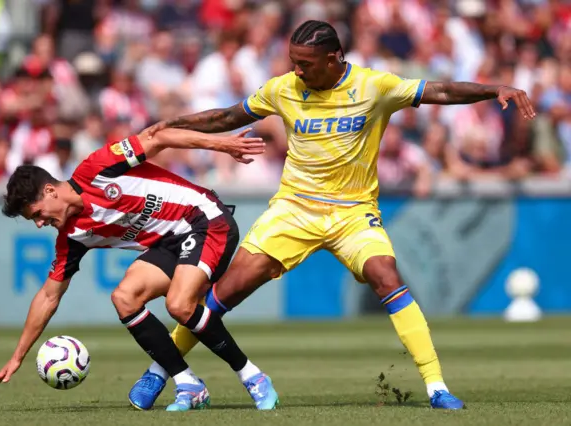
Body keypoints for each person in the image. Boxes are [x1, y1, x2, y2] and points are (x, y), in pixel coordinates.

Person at [136, 20, 537, 410]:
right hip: (294, 210)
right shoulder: (284, 89)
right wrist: (171, 124)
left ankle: (436, 387)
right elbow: (227, 117)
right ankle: (161, 370)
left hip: (353, 213)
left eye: (305, 63)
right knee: (222, 294)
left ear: (333, 58)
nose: (297, 69)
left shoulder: (374, 86)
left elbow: (442, 91)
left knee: (386, 275)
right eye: (294, 60)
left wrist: (492, 89)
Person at [0, 127, 280, 412]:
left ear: (50, 191)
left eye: (37, 214)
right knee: (124, 297)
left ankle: (253, 377)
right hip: (170, 243)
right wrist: (17, 356)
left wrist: (222, 144)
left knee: (179, 304)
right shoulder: (71, 237)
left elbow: (158, 136)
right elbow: (49, 296)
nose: (39, 223)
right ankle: (188, 383)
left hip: (205, 219)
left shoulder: (96, 169)